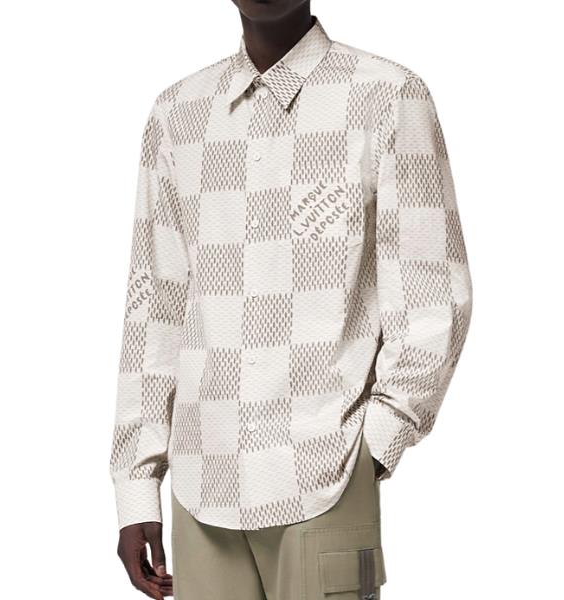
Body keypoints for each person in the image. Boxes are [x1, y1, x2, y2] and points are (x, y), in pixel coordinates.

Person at [109, 1, 473, 598]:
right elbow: (155, 305)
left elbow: (433, 295)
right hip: (202, 485)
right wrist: (136, 485)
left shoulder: (387, 95)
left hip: (326, 476)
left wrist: (374, 445)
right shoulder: (178, 113)